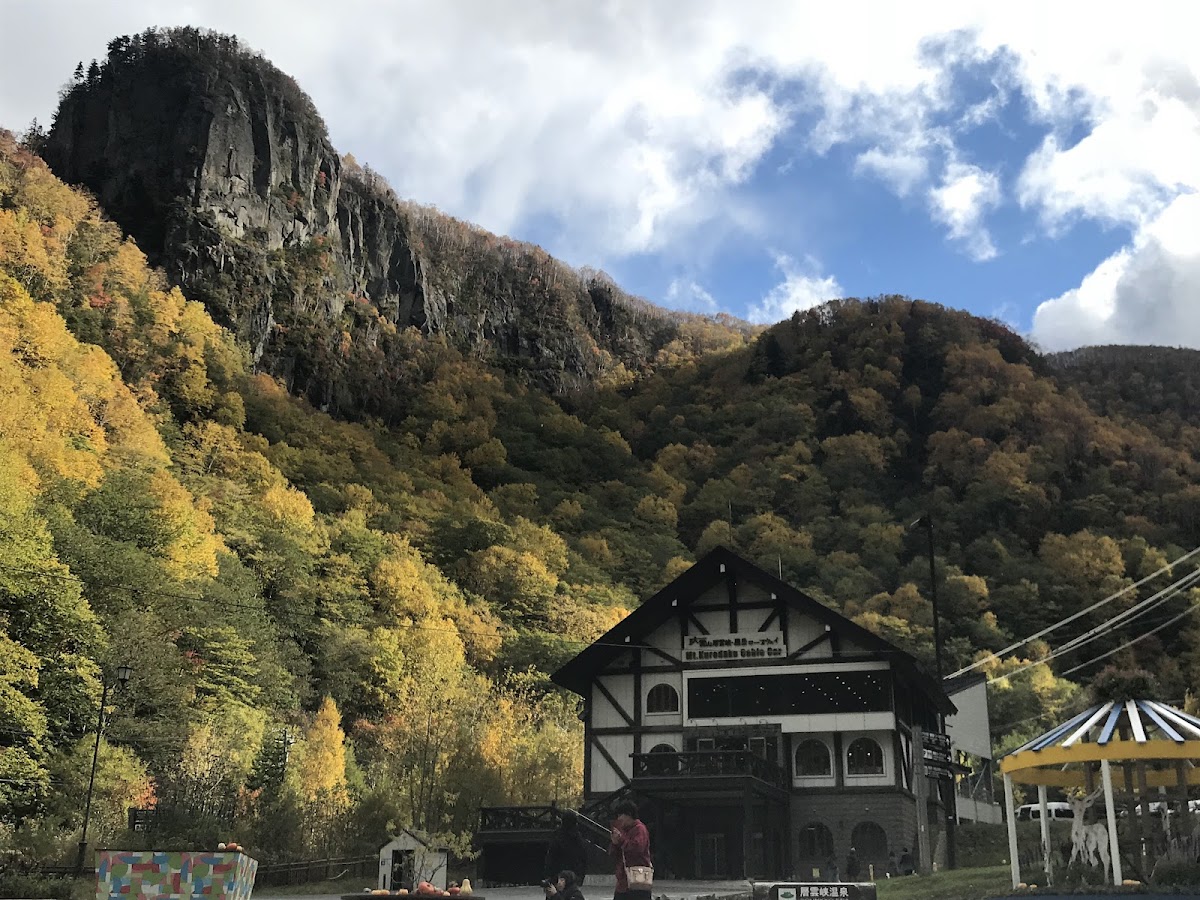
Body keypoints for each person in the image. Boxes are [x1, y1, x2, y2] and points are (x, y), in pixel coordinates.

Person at [608, 800, 651, 900]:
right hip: (623, 880)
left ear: (629, 814)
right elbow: (614, 854)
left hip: (638, 878)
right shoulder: (623, 831)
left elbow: (637, 849)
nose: (619, 819)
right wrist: (614, 843)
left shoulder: (640, 829)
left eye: (620, 815)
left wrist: (621, 840)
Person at [545, 810, 589, 885]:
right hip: (574, 875)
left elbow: (551, 856)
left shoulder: (557, 836)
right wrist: (581, 876)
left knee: (557, 895)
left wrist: (549, 875)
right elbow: (584, 857)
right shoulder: (578, 838)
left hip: (558, 875)